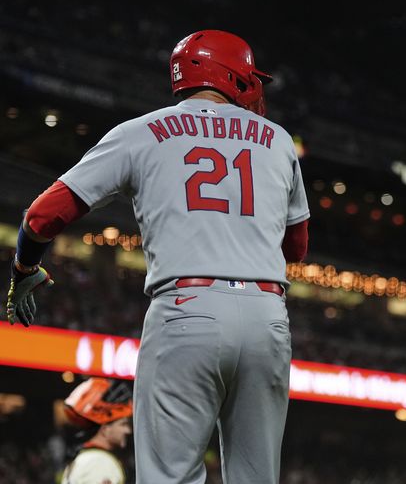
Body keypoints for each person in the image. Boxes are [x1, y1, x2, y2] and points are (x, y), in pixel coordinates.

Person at [5, 30, 310, 483]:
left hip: (186, 311)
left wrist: (25, 267)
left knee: (170, 476)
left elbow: (40, 216)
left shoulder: (141, 131)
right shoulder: (279, 140)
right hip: (268, 316)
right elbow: (296, 248)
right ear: (232, 75)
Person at [61, 377, 133, 484]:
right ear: (104, 429)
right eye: (123, 424)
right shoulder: (99, 462)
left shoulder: (87, 458)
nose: (128, 430)